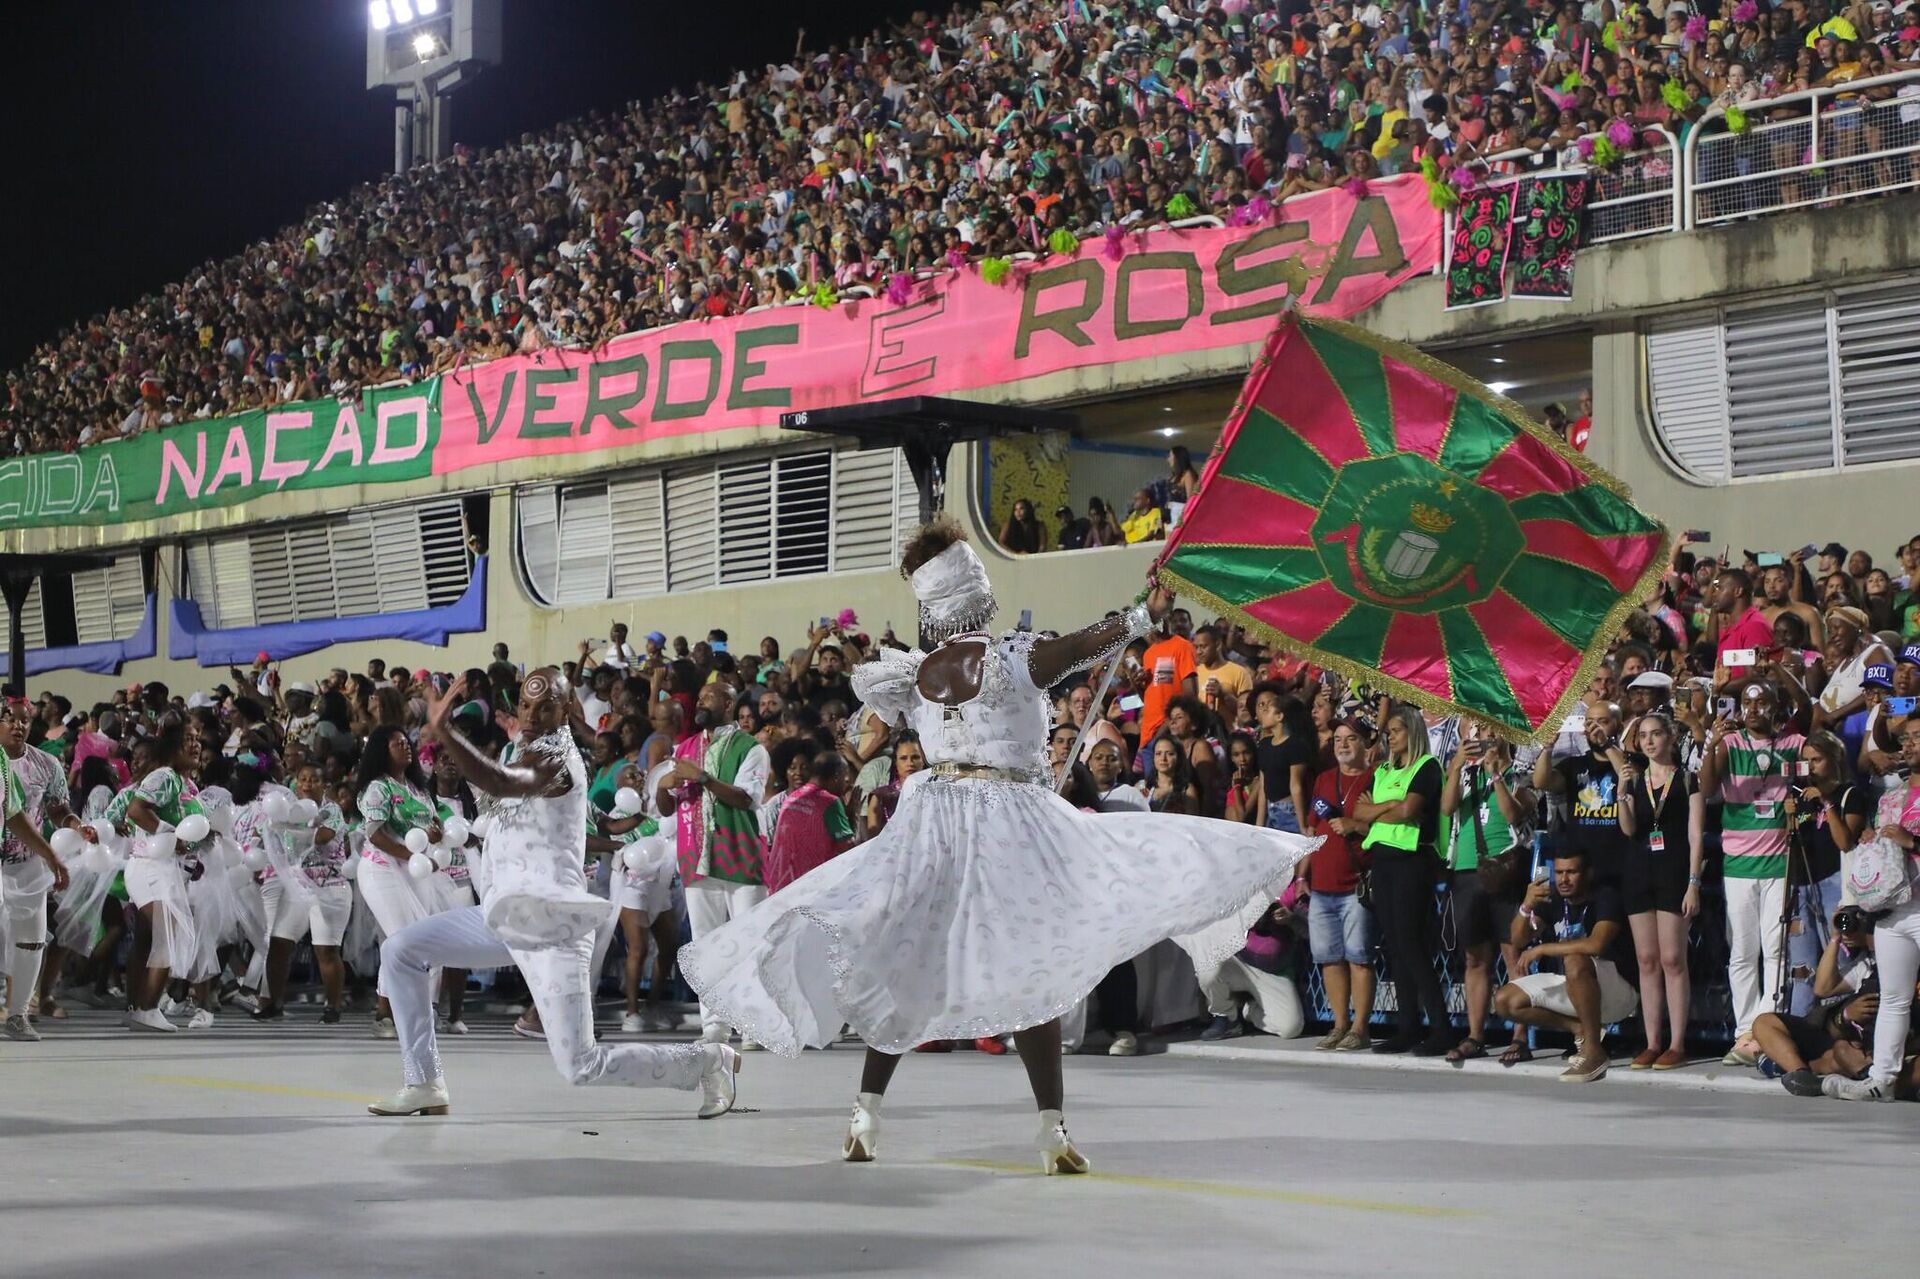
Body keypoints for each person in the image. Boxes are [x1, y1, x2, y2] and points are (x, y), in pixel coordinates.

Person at [679, 518, 1313, 1172]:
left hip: (936, 820)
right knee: (1030, 968)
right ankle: (1051, 1128)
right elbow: (1083, 645)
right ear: (976, 593)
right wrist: (1139, 617)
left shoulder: (918, 673)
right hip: (1009, 819)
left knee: (907, 964)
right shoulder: (1013, 655)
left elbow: (859, 745)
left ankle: (866, 1113)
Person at [365, 669, 740, 1119]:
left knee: (582, 1065)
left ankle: (709, 1062)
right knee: (402, 950)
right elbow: (499, 797)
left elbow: (507, 783)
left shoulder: (559, 758)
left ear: (567, 711)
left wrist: (443, 729)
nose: (533, 715)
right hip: (504, 914)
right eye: (526, 705)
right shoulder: (522, 748)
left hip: (553, 925)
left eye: (546, 707)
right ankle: (424, 1081)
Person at [655, 680, 770, 1049]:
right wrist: (662, 786)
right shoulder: (686, 748)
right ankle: (715, 1026)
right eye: (700, 696)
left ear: (729, 703)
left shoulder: (750, 748)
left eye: (708, 697)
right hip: (696, 860)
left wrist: (702, 777)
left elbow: (744, 798)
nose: (700, 701)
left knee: (750, 946)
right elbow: (667, 808)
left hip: (741, 859)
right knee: (706, 949)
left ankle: (753, 1025)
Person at [1699, 680, 1804, 1064]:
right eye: (1747, 702)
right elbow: (1707, 787)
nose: (1753, 709)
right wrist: (1711, 743)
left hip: (1779, 863)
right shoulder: (1730, 744)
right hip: (1739, 865)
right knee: (1744, 951)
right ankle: (1744, 1031)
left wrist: (1777, 669)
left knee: (1776, 948)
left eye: (1762, 702)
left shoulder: (1792, 743)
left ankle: (1764, 1030)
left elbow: (1808, 715)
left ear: (1777, 707)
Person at [1826, 718, 1920, 1103]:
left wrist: (1911, 840)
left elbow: (1906, 843)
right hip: (1894, 910)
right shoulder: (1891, 797)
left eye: (1918, 737)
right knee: (1895, 997)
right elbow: (1884, 855)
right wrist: (1871, 843)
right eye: (1906, 738)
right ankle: (1881, 1078)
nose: (1909, 744)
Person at [1495, 846, 1639, 1083]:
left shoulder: (1605, 895)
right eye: (1559, 872)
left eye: (1571, 872)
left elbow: (1596, 945)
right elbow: (1518, 939)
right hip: (1576, 985)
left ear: (1588, 873)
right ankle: (1580, 1030)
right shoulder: (1552, 897)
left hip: (1618, 991)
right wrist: (1526, 907)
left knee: (1574, 958)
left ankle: (1594, 1052)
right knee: (1504, 1001)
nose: (1563, 879)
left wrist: (1542, 949)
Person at [1354, 704, 1451, 1056]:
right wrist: (1387, 806)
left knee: (1412, 945)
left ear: (1411, 731)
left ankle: (1440, 1028)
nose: (1389, 736)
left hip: (1413, 861)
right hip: (1383, 861)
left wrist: (1379, 810)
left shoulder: (1426, 768)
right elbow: (1359, 813)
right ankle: (1407, 1027)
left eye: (1395, 731)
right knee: (1395, 946)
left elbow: (1411, 811)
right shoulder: (1381, 771)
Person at [1439, 721, 1535, 1065]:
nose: (1484, 741)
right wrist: (1455, 767)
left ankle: (1520, 1034)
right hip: (1467, 870)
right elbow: (1448, 808)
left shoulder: (1519, 777)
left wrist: (1496, 776)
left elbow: (1514, 813)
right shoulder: (1466, 776)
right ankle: (1475, 1034)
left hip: (1505, 872)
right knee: (1475, 958)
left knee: (1514, 956)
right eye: (1480, 736)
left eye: (1491, 735)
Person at [1614, 712, 1705, 1070]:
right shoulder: (1635, 780)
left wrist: (1693, 883)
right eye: (1643, 736)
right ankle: (1652, 1041)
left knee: (1672, 959)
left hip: (1674, 873)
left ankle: (1677, 1042)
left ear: (1671, 737)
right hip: (1639, 872)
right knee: (1647, 961)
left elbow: (1695, 835)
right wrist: (1621, 793)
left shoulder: (1687, 780)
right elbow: (1627, 829)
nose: (1649, 741)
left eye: (1656, 734)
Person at [352, 724, 446, 1039]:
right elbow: (375, 834)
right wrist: (409, 853)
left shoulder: (419, 790)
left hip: (414, 870)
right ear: (382, 750)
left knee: (416, 939)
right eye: (397, 744)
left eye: (407, 742)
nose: (406, 747)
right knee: (401, 937)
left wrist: (436, 834)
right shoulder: (378, 788)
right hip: (382, 869)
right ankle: (386, 1012)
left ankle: (403, 1010)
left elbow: (433, 827)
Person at [1297, 716, 1376, 1050]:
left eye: (1351, 739)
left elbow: (1387, 829)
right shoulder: (1324, 779)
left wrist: (1356, 825)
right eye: (1338, 739)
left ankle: (1360, 1027)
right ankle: (1339, 1024)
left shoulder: (1377, 778)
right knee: (1329, 957)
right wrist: (1302, 875)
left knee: (1359, 957)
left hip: (1356, 885)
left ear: (1364, 745)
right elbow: (1313, 834)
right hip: (1322, 886)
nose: (1342, 745)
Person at [1, 699, 75, 1037]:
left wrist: (51, 854)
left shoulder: (39, 764)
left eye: (25, 721)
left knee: (32, 941)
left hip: (27, 864)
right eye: (10, 720)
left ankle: (18, 1014)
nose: (18, 726)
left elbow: (17, 816)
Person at [1752, 905, 1880, 1097]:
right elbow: (1822, 988)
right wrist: (1836, 938)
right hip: (1839, 1031)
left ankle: (1786, 1064)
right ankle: (1800, 1074)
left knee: (1840, 1055)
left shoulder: (1897, 957)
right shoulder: (1865, 962)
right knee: (1764, 1023)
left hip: (1862, 1044)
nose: (1852, 929)